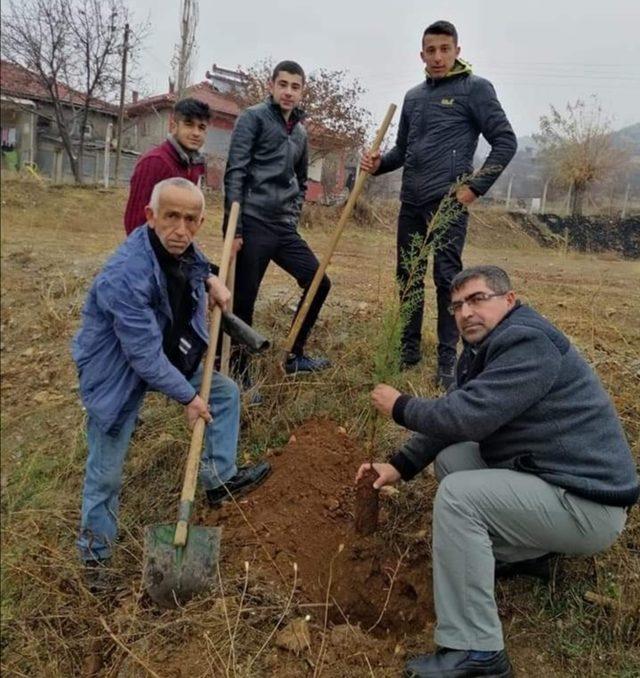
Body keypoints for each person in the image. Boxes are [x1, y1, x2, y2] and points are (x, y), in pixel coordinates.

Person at [357, 265, 638, 678]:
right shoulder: (490, 347)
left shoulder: (527, 342)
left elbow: (468, 416)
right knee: (454, 460)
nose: (465, 312)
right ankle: (527, 553)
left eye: (477, 299)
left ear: (509, 300)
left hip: (588, 506)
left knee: (460, 496)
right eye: (456, 305)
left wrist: (402, 407)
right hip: (555, 479)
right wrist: (399, 465)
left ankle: (476, 651)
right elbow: (457, 415)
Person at [73, 178, 270, 586]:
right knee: (106, 470)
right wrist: (186, 398)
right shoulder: (125, 275)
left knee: (225, 392)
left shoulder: (183, 248)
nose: (181, 229)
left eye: (191, 219)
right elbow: (142, 356)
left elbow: (194, 263)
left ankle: (218, 478)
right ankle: (95, 557)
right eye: (171, 217)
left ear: (200, 222)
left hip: (168, 352)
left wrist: (212, 279)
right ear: (150, 217)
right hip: (116, 370)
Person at [360, 20, 517, 387]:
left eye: (445, 49)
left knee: (447, 280)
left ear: (457, 51)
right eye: (431, 51)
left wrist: (474, 188)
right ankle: (408, 348)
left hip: (448, 203)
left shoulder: (475, 89)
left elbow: (505, 141)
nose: (438, 57)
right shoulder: (414, 97)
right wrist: (379, 164)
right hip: (411, 201)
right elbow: (403, 151)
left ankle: (449, 358)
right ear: (421, 55)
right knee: (408, 277)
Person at [223, 60, 331, 382]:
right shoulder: (252, 118)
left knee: (318, 282)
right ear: (271, 85)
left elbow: (300, 179)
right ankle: (240, 375)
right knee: (244, 300)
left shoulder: (299, 132)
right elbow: (236, 172)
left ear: (302, 91)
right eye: (282, 84)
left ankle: (294, 355)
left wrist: (293, 214)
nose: (288, 92)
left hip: (282, 227)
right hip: (252, 222)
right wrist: (235, 227)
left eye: (295, 86)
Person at [124, 98, 210, 235]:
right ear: (173, 126)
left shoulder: (194, 165)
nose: (196, 133)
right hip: (151, 251)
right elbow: (135, 223)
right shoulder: (155, 162)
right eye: (189, 124)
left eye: (201, 127)